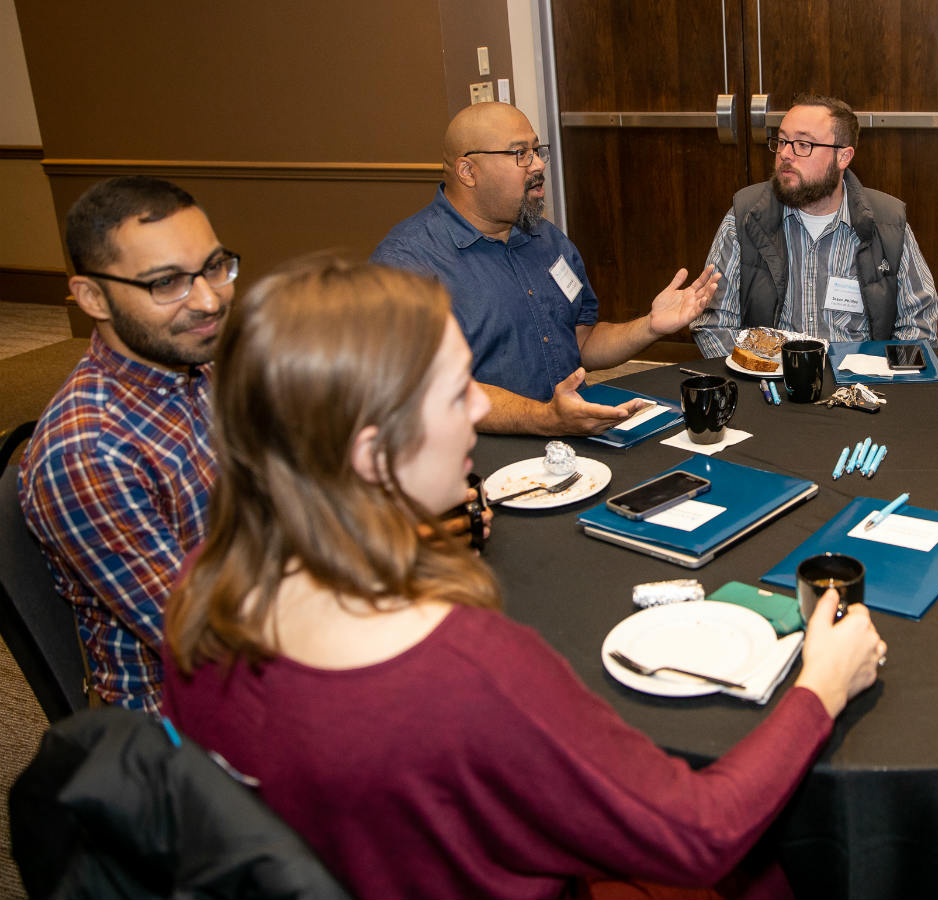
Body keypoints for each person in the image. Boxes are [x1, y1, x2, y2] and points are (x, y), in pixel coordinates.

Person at [162, 258, 887, 899]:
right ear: (371, 453)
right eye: (455, 395)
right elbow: (701, 833)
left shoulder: (202, 589)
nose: (482, 407)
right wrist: (821, 684)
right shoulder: (469, 668)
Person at [19, 176, 235, 713]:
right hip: (183, 712)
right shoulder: (90, 452)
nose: (209, 300)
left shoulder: (196, 364)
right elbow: (213, 643)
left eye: (213, 267)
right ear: (92, 296)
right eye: (166, 283)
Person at [372, 101, 718, 436]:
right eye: (520, 153)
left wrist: (650, 326)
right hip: (481, 460)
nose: (538, 165)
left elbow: (579, 342)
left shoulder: (546, 240)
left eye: (537, 150)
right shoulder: (408, 265)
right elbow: (432, 390)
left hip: (572, 437)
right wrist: (545, 418)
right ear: (467, 171)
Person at [690, 93, 938, 357]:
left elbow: (920, 325)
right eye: (783, 141)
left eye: (803, 144)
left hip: (858, 385)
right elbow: (713, 325)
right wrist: (762, 372)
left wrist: (875, 378)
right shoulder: (745, 217)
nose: (786, 154)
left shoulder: (888, 224)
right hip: (769, 384)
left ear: (844, 157)